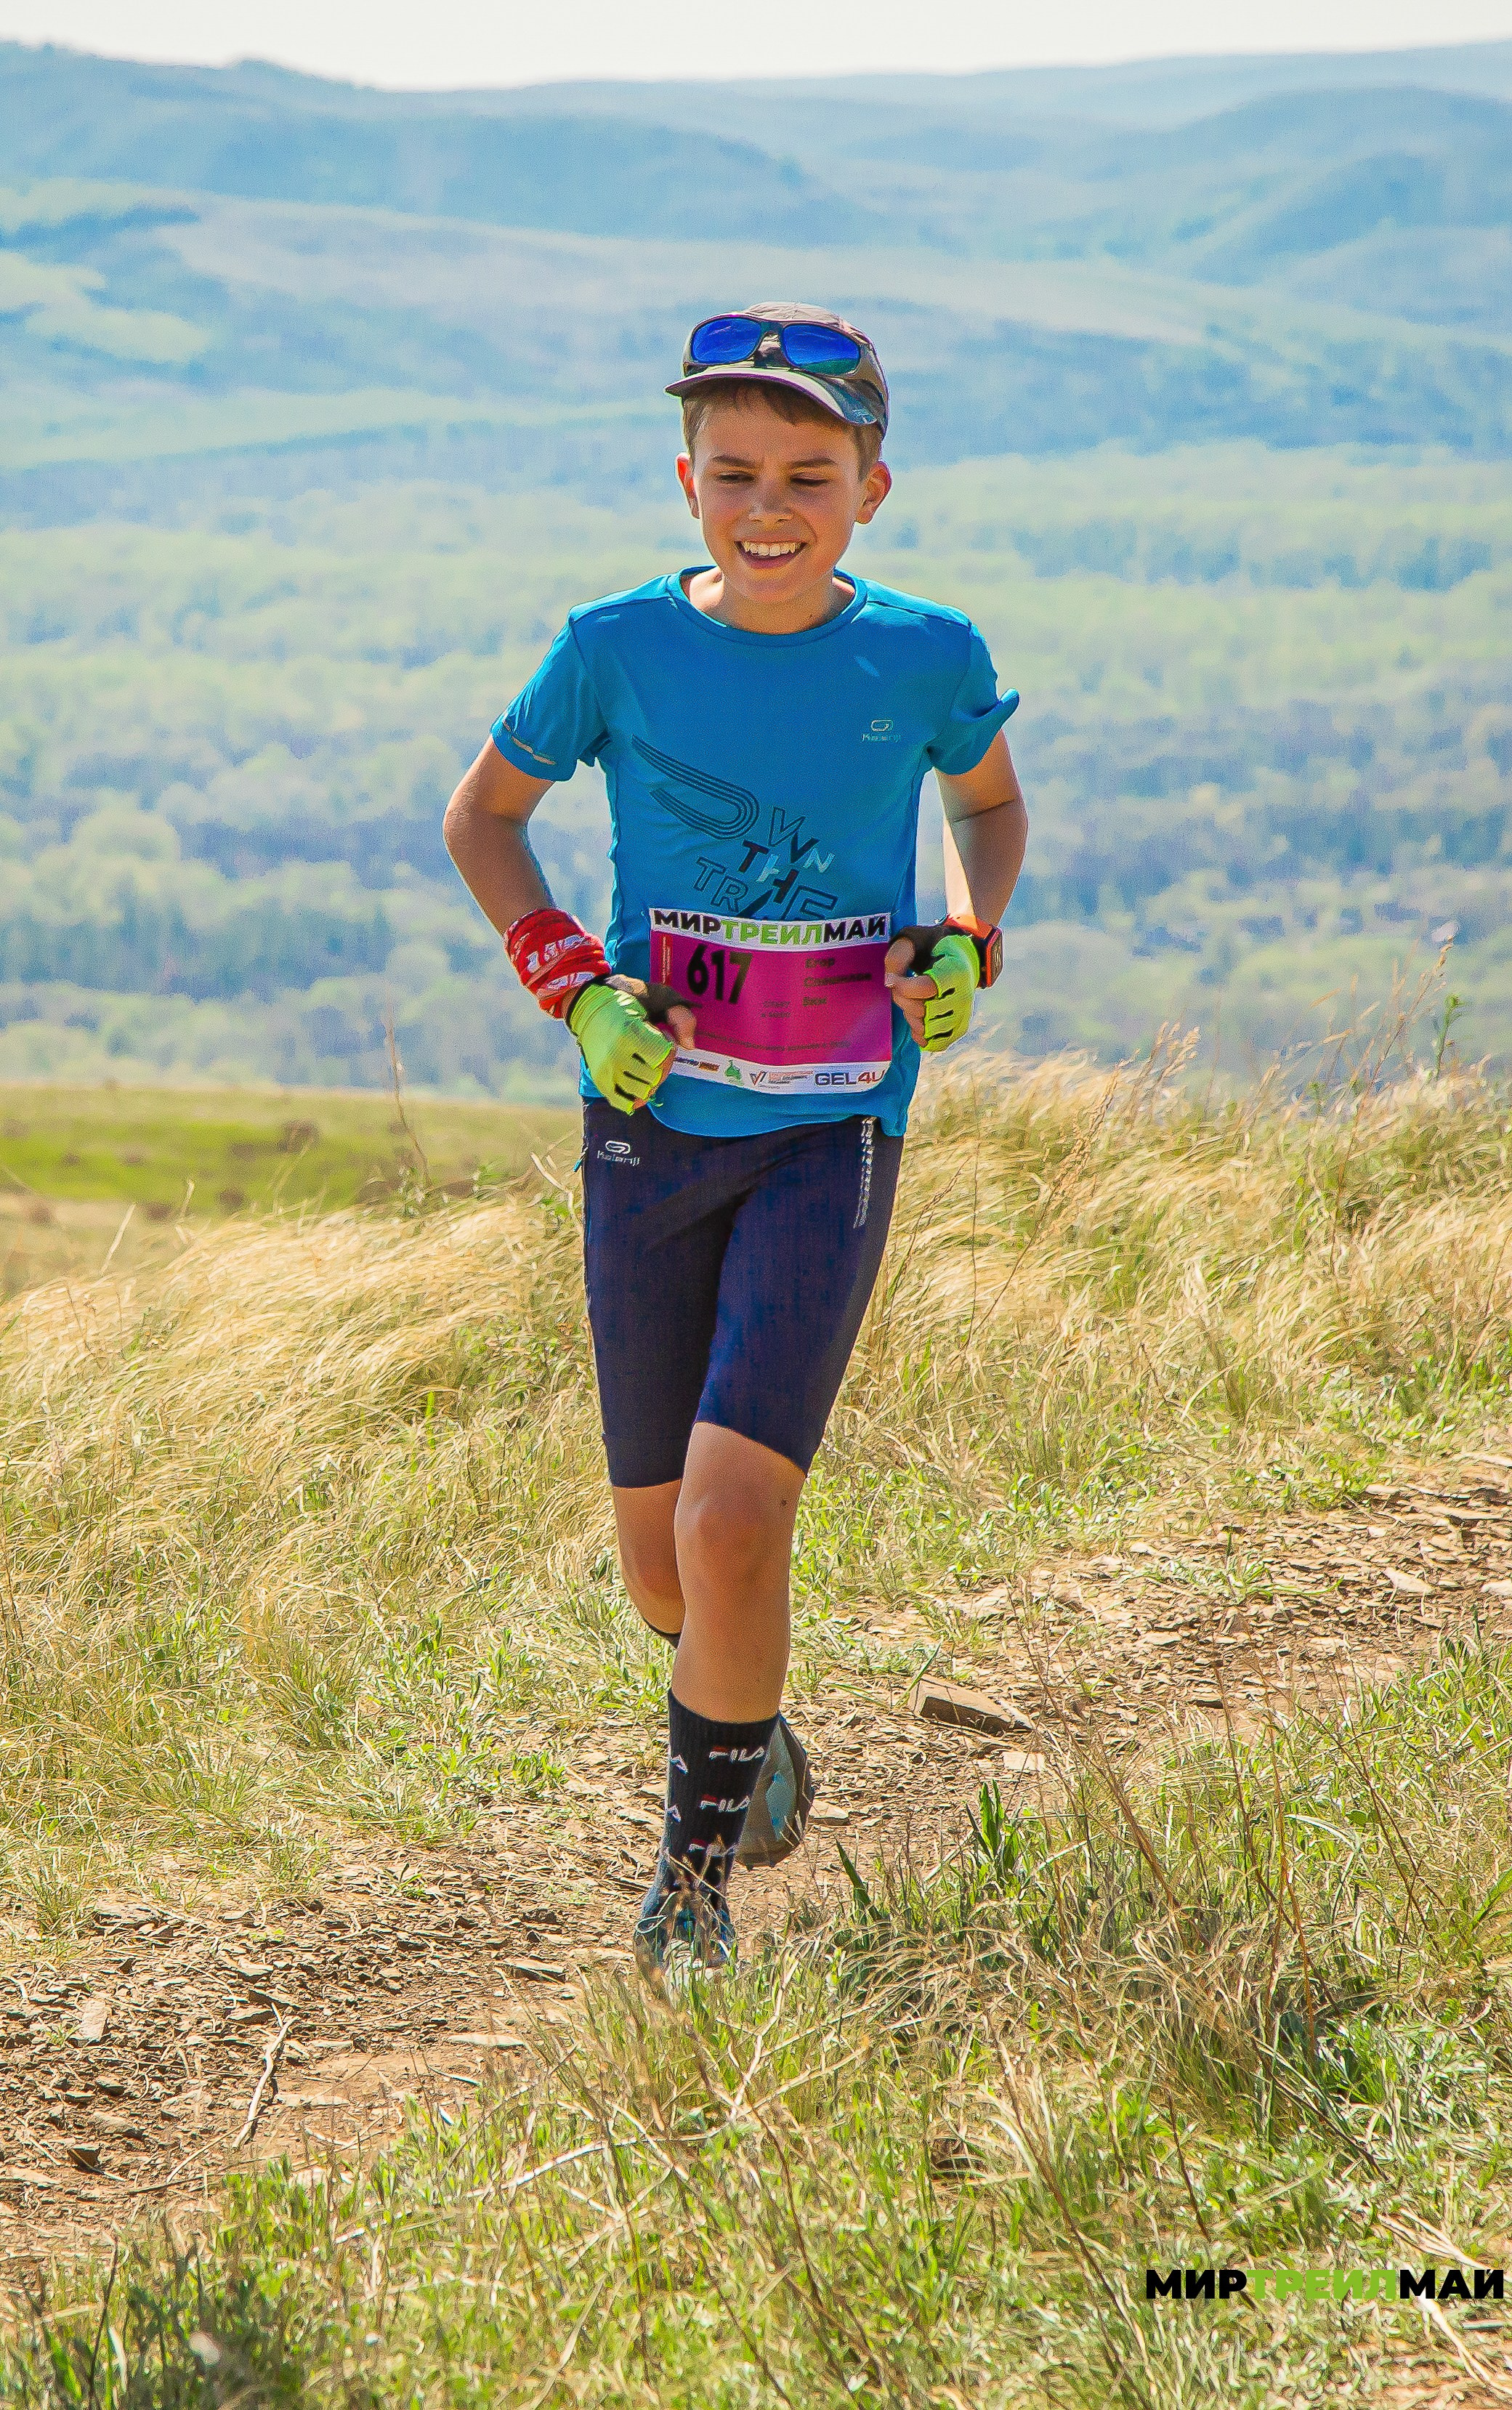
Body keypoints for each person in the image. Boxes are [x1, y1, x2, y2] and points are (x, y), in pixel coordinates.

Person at [444, 305, 1027, 1976]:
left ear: (873, 487)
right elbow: (484, 817)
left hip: (833, 1127)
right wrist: (576, 991)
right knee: (658, 1569)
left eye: (809, 474)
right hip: (652, 1130)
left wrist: (970, 939)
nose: (768, 504)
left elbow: (988, 806)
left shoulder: (923, 654)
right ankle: (744, 1720)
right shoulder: (612, 645)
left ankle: (690, 1890)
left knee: (729, 1525)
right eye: (735, 472)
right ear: (684, 479)